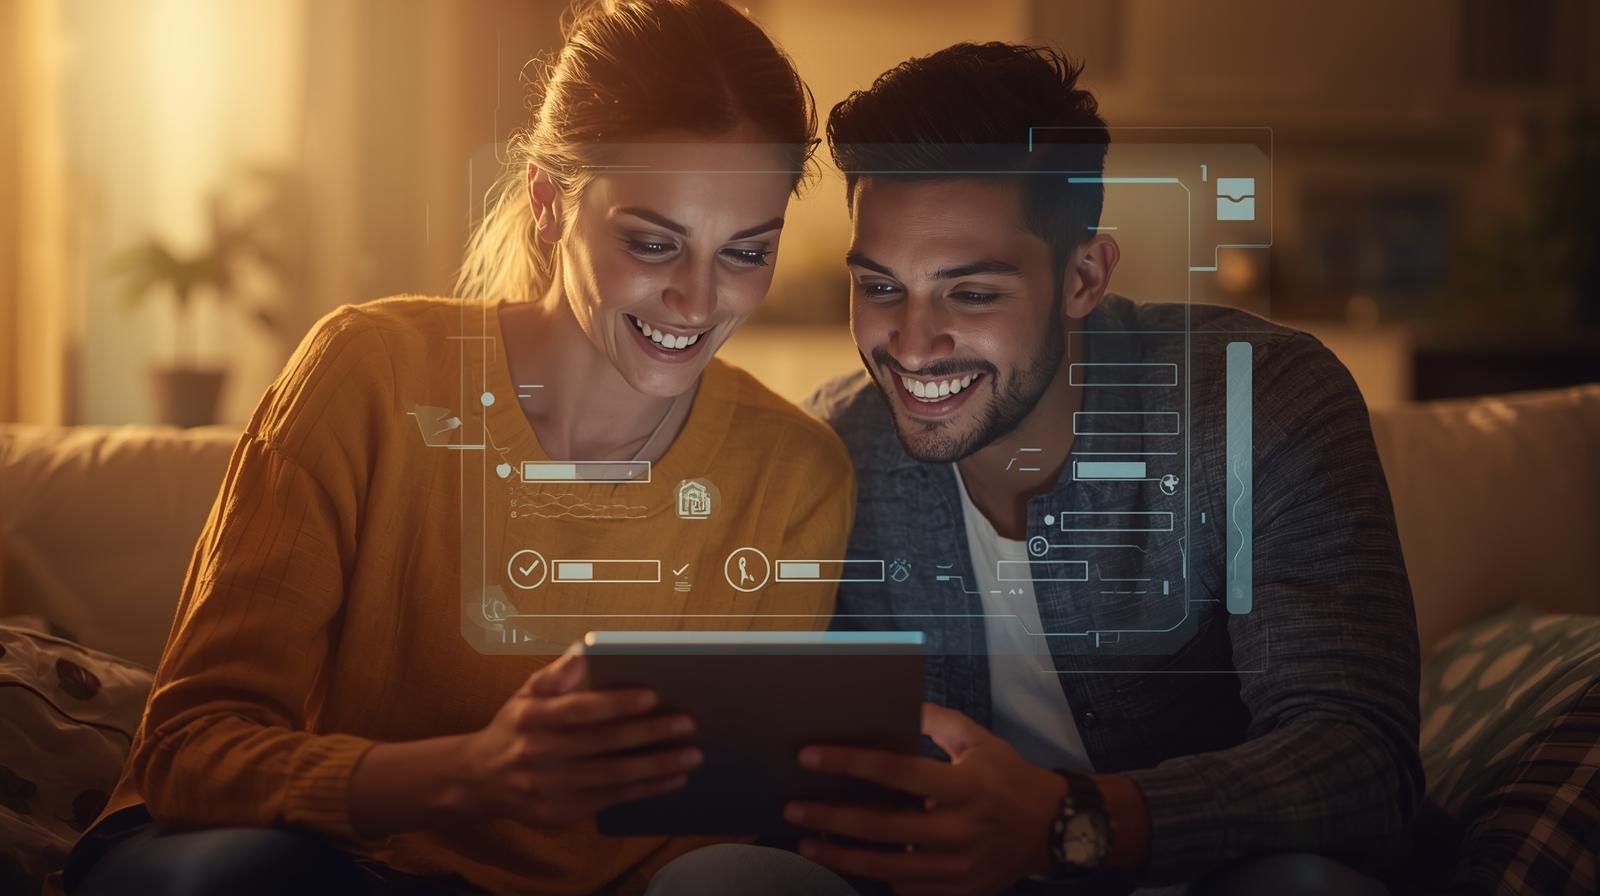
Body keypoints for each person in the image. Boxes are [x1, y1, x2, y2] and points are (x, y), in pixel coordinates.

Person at [59, 1, 856, 894]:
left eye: (746, 253)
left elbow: (711, 830)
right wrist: (474, 773)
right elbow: (189, 751)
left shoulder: (796, 474)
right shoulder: (373, 369)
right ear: (550, 205)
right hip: (314, 861)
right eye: (652, 242)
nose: (699, 302)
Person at [790, 43, 1422, 895]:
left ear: (1084, 275)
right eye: (880, 287)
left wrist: (1070, 821)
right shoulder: (832, 454)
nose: (910, 344)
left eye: (970, 294)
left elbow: (1360, 761)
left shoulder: (1258, 404)